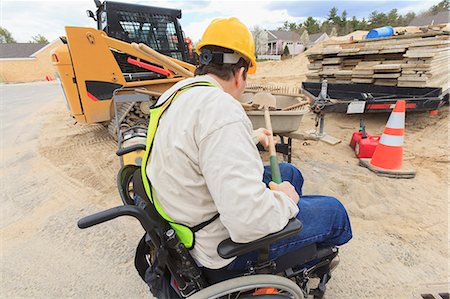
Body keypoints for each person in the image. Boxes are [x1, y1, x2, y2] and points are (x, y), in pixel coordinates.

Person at [143, 17, 352, 274]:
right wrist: (287, 202)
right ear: (241, 74)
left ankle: (291, 232)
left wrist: (248, 137)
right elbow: (246, 223)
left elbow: (194, 145)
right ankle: (306, 263)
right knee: (334, 213)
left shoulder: (177, 94)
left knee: (289, 173)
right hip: (217, 249)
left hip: (185, 220)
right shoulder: (222, 109)